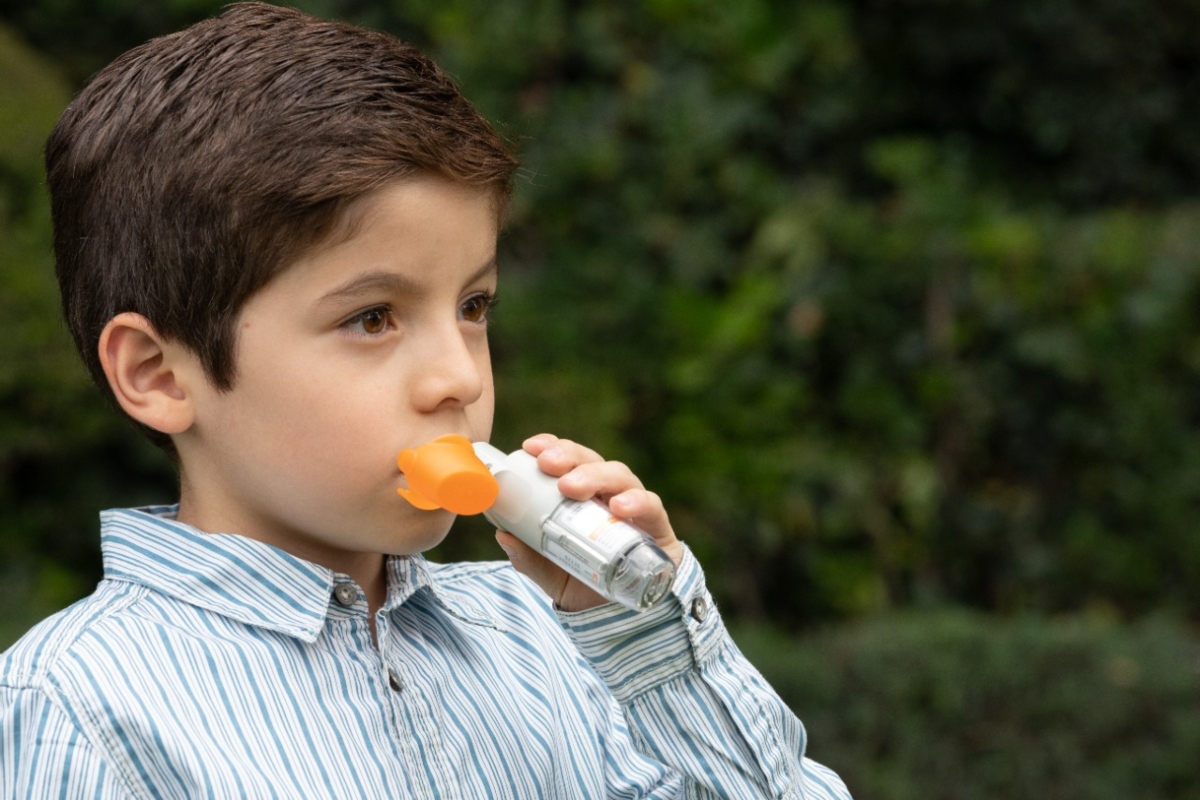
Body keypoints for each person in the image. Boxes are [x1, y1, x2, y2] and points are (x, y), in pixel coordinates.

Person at [0, 4, 851, 797]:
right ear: (159, 374)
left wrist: (648, 638)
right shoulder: (77, 706)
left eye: (473, 308)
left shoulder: (555, 641)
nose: (461, 378)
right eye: (373, 318)